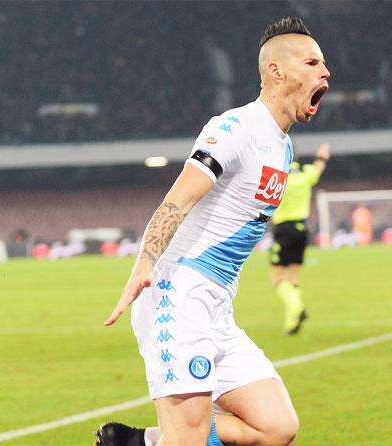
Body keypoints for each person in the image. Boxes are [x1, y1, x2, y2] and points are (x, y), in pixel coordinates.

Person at [98, 16, 329, 446]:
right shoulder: (236, 128)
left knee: (277, 428)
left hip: (217, 309)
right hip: (178, 295)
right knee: (186, 439)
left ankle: (141, 442)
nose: (325, 72)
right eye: (313, 62)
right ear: (277, 71)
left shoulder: (284, 145)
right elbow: (176, 201)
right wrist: (145, 262)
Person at [269, 142, 330, 335]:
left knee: (278, 277)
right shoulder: (305, 176)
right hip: (302, 229)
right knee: (293, 276)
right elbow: (318, 168)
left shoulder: (278, 178)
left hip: (283, 229)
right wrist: (322, 156)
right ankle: (291, 323)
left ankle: (296, 308)